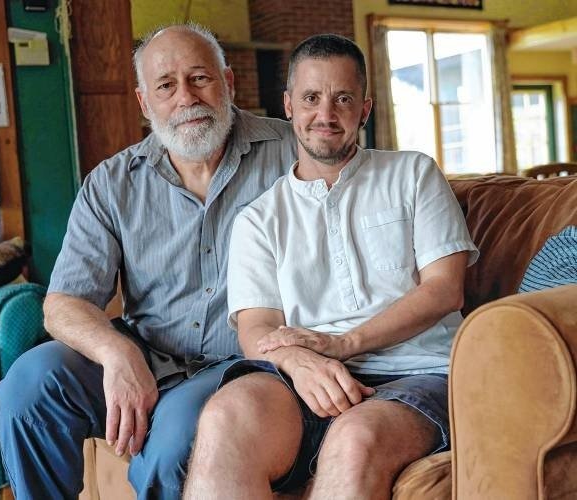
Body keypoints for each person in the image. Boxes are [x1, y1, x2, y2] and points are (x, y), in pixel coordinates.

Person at [0, 23, 296, 499]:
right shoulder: (113, 183)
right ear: (143, 102)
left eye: (200, 78)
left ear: (228, 83)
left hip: (243, 365)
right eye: (166, 85)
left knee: (175, 441)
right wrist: (117, 353)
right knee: (29, 384)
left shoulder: (293, 154)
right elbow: (63, 303)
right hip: (147, 353)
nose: (186, 97)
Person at [184, 34, 479, 499]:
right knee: (224, 415)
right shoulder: (258, 219)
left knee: (355, 437)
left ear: (365, 108)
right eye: (311, 98)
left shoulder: (414, 174)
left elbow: (445, 290)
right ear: (288, 106)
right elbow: (256, 326)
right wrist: (298, 362)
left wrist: (342, 344)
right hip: (307, 377)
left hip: (420, 370)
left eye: (343, 98)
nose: (326, 114)